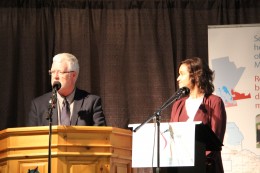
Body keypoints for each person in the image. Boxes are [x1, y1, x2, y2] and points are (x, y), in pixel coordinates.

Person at [169, 57, 226, 173]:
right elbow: (172, 138)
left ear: (195, 75)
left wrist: (197, 162)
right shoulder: (177, 105)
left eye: (182, 74)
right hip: (181, 167)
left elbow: (215, 143)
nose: (178, 78)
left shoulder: (215, 102)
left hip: (207, 168)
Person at [27, 53, 106, 126]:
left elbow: (102, 137)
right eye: (53, 72)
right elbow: (31, 139)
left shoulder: (92, 103)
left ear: (73, 75)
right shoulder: (38, 105)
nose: (55, 76)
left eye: (60, 72)